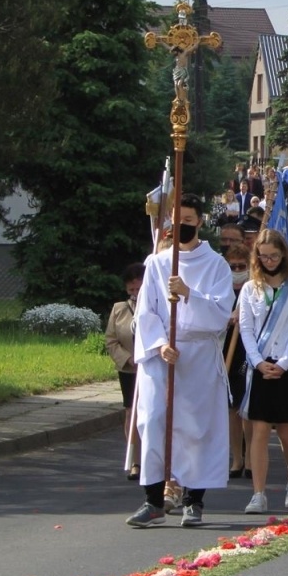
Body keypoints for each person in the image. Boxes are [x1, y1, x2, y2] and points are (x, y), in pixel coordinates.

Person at [127, 194, 235, 528]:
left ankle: (193, 499)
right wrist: (160, 344)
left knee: (195, 427)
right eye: (178, 221)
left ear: (200, 222)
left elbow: (220, 314)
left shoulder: (215, 264)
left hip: (199, 354)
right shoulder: (158, 263)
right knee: (154, 419)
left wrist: (189, 293)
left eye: (189, 221)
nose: (182, 227)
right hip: (164, 356)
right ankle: (153, 499)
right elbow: (146, 311)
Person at [235, 228, 288, 514]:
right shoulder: (249, 289)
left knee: (287, 431)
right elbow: (247, 331)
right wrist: (257, 362)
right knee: (259, 430)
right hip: (260, 367)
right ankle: (258, 493)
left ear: (283, 255)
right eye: (263, 256)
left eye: (274, 256)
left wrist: (283, 363)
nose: (268, 261)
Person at [105, 263, 145, 481]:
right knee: (132, 412)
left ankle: (153, 458)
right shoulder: (118, 309)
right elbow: (111, 341)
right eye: (131, 290)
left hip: (152, 367)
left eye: (138, 289)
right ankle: (134, 461)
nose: (135, 294)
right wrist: (128, 359)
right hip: (129, 370)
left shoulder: (158, 304)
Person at [221, 247, 252, 477]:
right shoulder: (221, 290)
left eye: (242, 267)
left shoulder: (254, 289)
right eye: (233, 267)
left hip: (248, 351)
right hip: (223, 350)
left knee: (246, 406)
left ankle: (251, 455)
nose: (238, 271)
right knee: (231, 407)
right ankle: (237, 457)